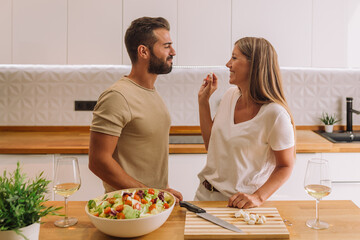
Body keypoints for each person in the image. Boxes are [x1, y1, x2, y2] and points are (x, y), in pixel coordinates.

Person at [89, 17, 183, 202]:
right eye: (166, 46)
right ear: (143, 51)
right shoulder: (117, 96)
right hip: (126, 208)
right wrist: (150, 193)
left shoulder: (152, 93)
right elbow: (98, 162)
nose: (173, 52)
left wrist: (160, 191)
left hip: (151, 204)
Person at [195, 37, 295, 209]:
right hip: (203, 197)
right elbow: (211, 146)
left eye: (234, 58)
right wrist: (203, 103)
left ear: (254, 65)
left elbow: (285, 165)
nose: (228, 64)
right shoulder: (230, 95)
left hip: (239, 206)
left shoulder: (275, 114)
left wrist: (258, 197)